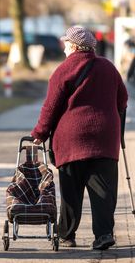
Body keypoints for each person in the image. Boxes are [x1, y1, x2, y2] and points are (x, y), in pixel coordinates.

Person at [31, 26, 128, 250]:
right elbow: (122, 100)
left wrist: (40, 133)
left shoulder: (63, 70)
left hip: (71, 141)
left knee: (71, 192)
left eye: (66, 44)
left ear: (74, 46)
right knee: (103, 191)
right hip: (104, 140)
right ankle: (103, 235)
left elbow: (51, 108)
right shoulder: (108, 68)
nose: (64, 48)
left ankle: (66, 234)